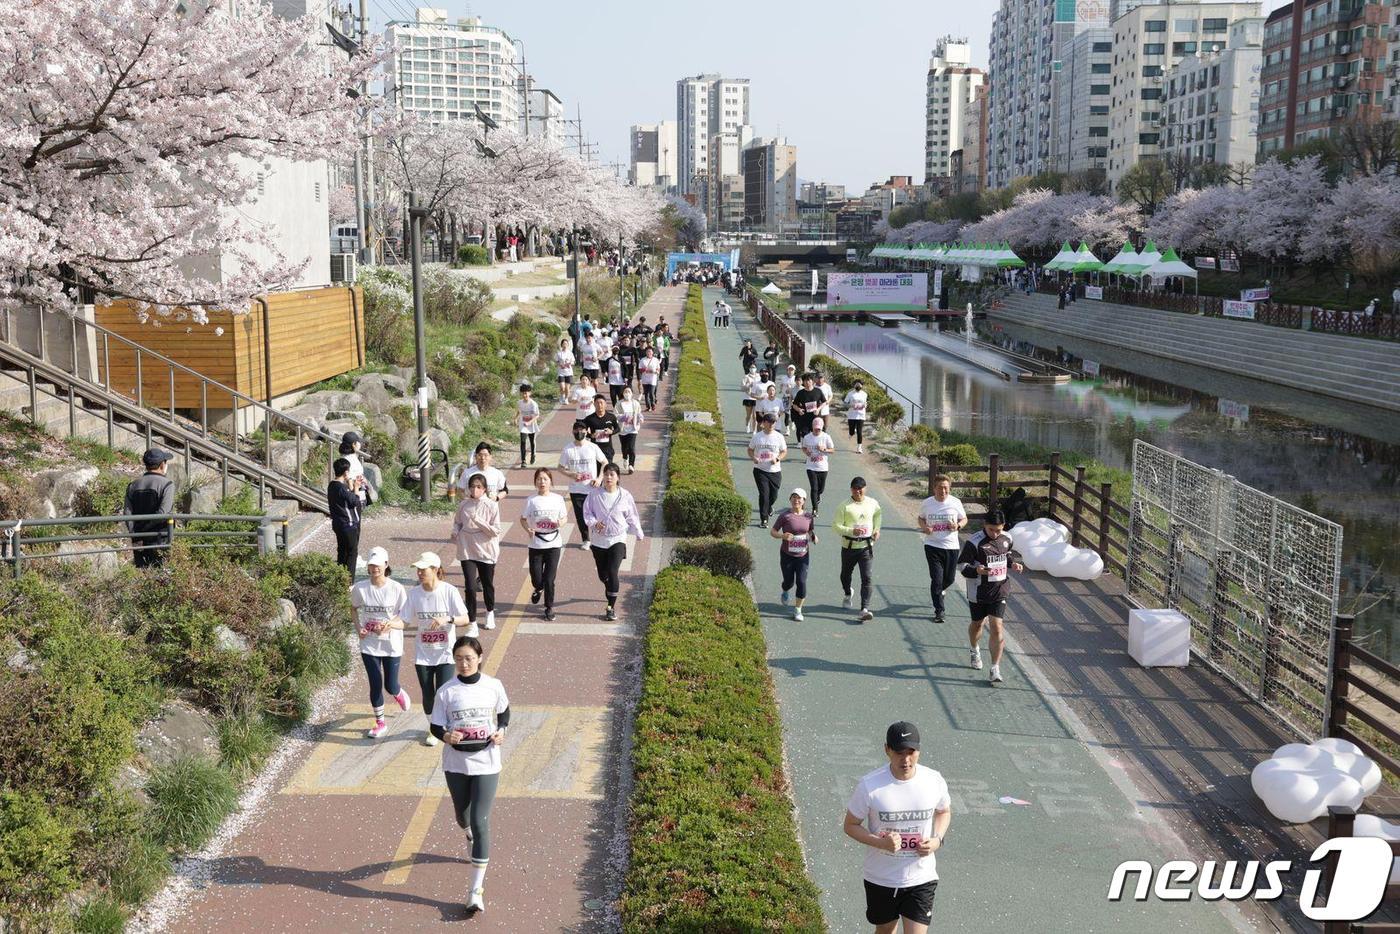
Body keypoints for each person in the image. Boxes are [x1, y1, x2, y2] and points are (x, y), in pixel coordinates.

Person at [843, 722, 952, 934]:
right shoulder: (870, 786)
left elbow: (944, 811)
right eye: (899, 752)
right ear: (887, 750)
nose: (906, 759)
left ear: (919, 751)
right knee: (885, 930)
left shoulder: (933, 780)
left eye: (911, 752)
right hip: (881, 877)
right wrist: (880, 842)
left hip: (921, 877)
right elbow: (850, 825)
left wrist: (937, 839)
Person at [430, 635, 509, 917]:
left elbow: (504, 713)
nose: (464, 663)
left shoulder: (494, 686)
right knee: (463, 817)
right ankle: (468, 834)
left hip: (487, 762)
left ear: (479, 658)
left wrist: (502, 732)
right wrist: (446, 736)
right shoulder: (446, 692)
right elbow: (436, 726)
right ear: (454, 659)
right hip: (456, 764)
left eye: (469, 658)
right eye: (459, 658)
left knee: (480, 820)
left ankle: (475, 891)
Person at [405, 551, 472, 746]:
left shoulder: (449, 591)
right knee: (428, 695)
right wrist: (389, 624)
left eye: (423, 569)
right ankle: (433, 729)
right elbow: (404, 620)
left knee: (442, 693)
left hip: (445, 653)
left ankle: (447, 725)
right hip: (423, 653)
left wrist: (447, 619)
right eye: (417, 570)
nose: (419, 573)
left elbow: (465, 619)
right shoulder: (414, 594)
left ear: (435, 570)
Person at [351, 546, 411, 738]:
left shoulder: (396, 589)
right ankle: (380, 722)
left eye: (378, 565)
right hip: (369, 643)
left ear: (386, 565)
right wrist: (358, 627)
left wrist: (390, 624)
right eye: (371, 565)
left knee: (390, 685)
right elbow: (353, 608)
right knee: (375, 683)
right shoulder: (360, 588)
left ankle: (398, 693)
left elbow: (405, 617)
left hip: (391, 643)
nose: (374, 568)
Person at [959, 510, 1024, 684]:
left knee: (997, 627)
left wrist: (1013, 564)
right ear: (984, 526)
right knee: (978, 624)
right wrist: (976, 570)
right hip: (978, 592)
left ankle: (995, 668)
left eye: (998, 530)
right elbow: (962, 566)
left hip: (1000, 589)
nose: (995, 534)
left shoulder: (1007, 538)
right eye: (991, 530)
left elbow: (1006, 554)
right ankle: (974, 649)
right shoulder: (974, 542)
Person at [582, 463, 646, 621]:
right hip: (598, 541)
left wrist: (638, 532)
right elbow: (587, 512)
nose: (609, 477)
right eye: (606, 474)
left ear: (618, 477)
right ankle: (609, 587)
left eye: (612, 474)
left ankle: (610, 606)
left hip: (618, 539)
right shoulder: (594, 495)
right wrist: (594, 523)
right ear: (603, 476)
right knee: (603, 575)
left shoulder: (625, 495)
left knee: (612, 572)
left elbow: (632, 515)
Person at [452, 474, 507, 631]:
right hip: (467, 548)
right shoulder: (463, 504)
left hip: (486, 550)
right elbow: (457, 522)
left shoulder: (491, 506)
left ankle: (490, 612)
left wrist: (479, 522)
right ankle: (472, 622)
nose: (474, 490)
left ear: (484, 489)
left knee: (487, 584)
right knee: (470, 586)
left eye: (478, 487)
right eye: (472, 486)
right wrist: (455, 531)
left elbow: (495, 531)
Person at [918, 475, 968, 626]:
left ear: (949, 488)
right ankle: (939, 610)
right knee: (937, 579)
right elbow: (920, 518)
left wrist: (958, 526)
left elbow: (964, 519)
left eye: (946, 487)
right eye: (940, 487)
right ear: (934, 488)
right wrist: (924, 527)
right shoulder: (927, 503)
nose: (943, 490)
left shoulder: (955, 502)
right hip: (932, 545)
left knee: (950, 579)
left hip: (951, 546)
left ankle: (940, 591)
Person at [520, 468, 568, 620]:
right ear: (535, 482)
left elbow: (564, 517)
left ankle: (549, 608)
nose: (542, 482)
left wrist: (561, 522)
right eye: (539, 479)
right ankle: (538, 588)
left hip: (554, 543)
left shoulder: (558, 499)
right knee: (537, 578)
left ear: (550, 481)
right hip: (536, 544)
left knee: (549, 579)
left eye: (545, 479)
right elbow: (522, 518)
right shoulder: (531, 500)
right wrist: (528, 529)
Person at [832, 476, 882, 622]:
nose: (858, 491)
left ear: (865, 489)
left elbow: (878, 515)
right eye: (855, 489)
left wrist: (877, 529)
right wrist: (851, 531)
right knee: (845, 575)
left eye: (860, 489)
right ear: (851, 489)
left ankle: (864, 609)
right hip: (849, 546)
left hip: (866, 547)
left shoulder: (873, 503)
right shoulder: (844, 506)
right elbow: (836, 526)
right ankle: (848, 593)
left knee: (867, 578)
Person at [558, 424, 608, 550]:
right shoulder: (567, 449)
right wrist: (571, 474)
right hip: (576, 489)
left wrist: (599, 478)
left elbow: (605, 462)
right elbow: (560, 468)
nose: (579, 432)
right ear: (573, 431)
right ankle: (586, 539)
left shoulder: (592, 447)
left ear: (587, 431)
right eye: (576, 430)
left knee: (596, 514)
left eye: (582, 430)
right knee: (581, 516)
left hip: (592, 488)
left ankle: (599, 536)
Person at [770, 488, 816, 621]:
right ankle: (785, 590)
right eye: (794, 497)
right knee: (789, 582)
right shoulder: (785, 516)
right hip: (787, 555)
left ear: (804, 501)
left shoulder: (808, 516)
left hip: (803, 555)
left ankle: (798, 610)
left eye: (799, 498)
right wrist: (782, 536)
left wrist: (813, 537)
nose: (796, 500)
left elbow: (811, 530)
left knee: (801, 581)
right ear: (790, 499)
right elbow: (773, 532)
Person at [125, 447, 176, 568]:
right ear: (162, 465)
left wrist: (135, 533)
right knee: (161, 572)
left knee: (142, 571)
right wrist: (147, 527)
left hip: (138, 537)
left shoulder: (133, 485)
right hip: (160, 536)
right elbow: (164, 512)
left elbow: (127, 513)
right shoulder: (167, 484)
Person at [748, 411, 787, 528]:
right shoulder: (757, 437)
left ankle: (768, 506)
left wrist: (778, 458)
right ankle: (764, 519)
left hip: (775, 471)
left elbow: (784, 451)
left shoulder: (779, 437)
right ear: (763, 423)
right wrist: (753, 457)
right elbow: (750, 449)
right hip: (760, 470)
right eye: (769, 422)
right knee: (764, 494)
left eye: (773, 422)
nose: (771, 424)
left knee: (773, 495)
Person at [328, 456, 363, 577]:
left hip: (338, 524)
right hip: (348, 525)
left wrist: (350, 485)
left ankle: (340, 579)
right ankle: (349, 582)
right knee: (352, 553)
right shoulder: (341, 488)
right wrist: (357, 488)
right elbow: (354, 502)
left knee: (342, 552)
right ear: (346, 472)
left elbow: (346, 499)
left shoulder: (332, 486)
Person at [800, 417, 835, 518]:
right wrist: (807, 452)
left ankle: (818, 496)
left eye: (819, 429)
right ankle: (815, 509)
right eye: (815, 428)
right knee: (814, 488)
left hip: (823, 467)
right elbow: (804, 447)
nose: (817, 430)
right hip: (811, 467)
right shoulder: (807, 437)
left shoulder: (826, 437)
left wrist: (824, 449)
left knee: (821, 489)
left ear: (822, 428)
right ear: (812, 427)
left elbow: (832, 450)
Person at [582, 395, 621, 465]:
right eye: (597, 403)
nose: (599, 405)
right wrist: (591, 435)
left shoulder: (611, 417)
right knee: (597, 471)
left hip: (608, 450)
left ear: (605, 404)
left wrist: (611, 432)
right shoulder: (590, 418)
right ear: (594, 404)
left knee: (607, 469)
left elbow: (618, 428)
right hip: (595, 449)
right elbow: (582, 431)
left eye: (601, 403)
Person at [791, 372, 825, 445]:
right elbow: (794, 405)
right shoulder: (800, 393)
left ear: (812, 381)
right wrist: (799, 410)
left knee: (816, 435)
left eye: (809, 380)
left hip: (815, 417)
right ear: (803, 382)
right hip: (804, 418)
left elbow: (824, 402)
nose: (807, 382)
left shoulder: (818, 391)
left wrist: (818, 409)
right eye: (805, 380)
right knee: (805, 435)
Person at [616, 385, 644, 474]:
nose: (627, 393)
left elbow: (639, 413)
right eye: (625, 392)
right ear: (623, 393)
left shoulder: (635, 403)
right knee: (624, 447)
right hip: (623, 429)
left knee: (631, 447)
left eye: (629, 392)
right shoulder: (619, 404)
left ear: (632, 393)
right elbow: (615, 415)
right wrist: (625, 417)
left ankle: (631, 465)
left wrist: (641, 418)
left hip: (633, 428)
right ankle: (625, 458)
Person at [339, 431, 371, 504]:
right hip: (353, 492)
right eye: (358, 442)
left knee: (359, 510)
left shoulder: (352, 456)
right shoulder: (347, 459)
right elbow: (347, 478)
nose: (359, 444)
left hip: (358, 488)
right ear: (353, 444)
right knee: (355, 511)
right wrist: (356, 485)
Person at [516, 383, 540, 468]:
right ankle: (523, 460)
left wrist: (530, 422)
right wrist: (515, 418)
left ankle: (533, 454)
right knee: (522, 442)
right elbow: (519, 411)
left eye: (526, 393)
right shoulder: (519, 402)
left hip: (531, 424)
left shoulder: (533, 404)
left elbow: (537, 415)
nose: (524, 395)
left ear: (530, 393)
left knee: (532, 441)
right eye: (523, 393)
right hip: (523, 424)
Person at [844, 380, 870, 453]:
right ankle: (851, 433)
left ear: (862, 386)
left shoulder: (865, 394)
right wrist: (852, 405)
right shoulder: (850, 394)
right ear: (854, 385)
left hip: (861, 415)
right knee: (851, 431)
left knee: (859, 432)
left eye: (860, 385)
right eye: (856, 385)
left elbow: (866, 403)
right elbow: (845, 403)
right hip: (852, 415)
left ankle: (859, 448)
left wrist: (865, 405)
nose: (858, 386)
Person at [637, 346, 662, 412]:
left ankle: (653, 405)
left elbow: (658, 368)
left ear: (652, 352)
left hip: (653, 379)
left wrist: (656, 371)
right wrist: (644, 370)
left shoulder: (655, 360)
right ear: (646, 352)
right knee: (646, 394)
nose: (649, 353)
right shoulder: (643, 360)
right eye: (647, 351)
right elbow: (639, 369)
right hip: (645, 379)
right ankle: (648, 407)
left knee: (651, 393)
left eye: (650, 351)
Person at [741, 365, 763, 432]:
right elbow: (742, 388)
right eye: (751, 368)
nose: (752, 369)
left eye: (754, 367)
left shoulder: (759, 377)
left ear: (756, 369)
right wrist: (748, 385)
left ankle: (754, 430)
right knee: (749, 415)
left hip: (756, 398)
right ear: (749, 369)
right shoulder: (746, 377)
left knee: (755, 416)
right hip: (748, 398)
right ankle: (747, 424)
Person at [778, 364, 799, 435]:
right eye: (789, 369)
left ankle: (793, 422)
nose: (790, 371)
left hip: (794, 398)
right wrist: (781, 390)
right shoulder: (783, 378)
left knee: (793, 412)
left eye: (792, 370)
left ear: (794, 371)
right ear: (787, 370)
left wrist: (791, 389)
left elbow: (798, 387)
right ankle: (787, 429)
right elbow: (781, 385)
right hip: (785, 397)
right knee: (786, 413)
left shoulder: (796, 378)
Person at [554, 338, 575, 402]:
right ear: (561, 345)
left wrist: (570, 364)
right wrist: (560, 365)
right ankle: (562, 396)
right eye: (563, 343)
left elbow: (573, 362)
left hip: (568, 372)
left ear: (568, 345)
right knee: (562, 387)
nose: (565, 345)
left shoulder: (570, 353)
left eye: (566, 343)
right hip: (561, 372)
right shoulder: (559, 353)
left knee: (567, 388)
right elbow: (556, 361)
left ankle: (566, 399)